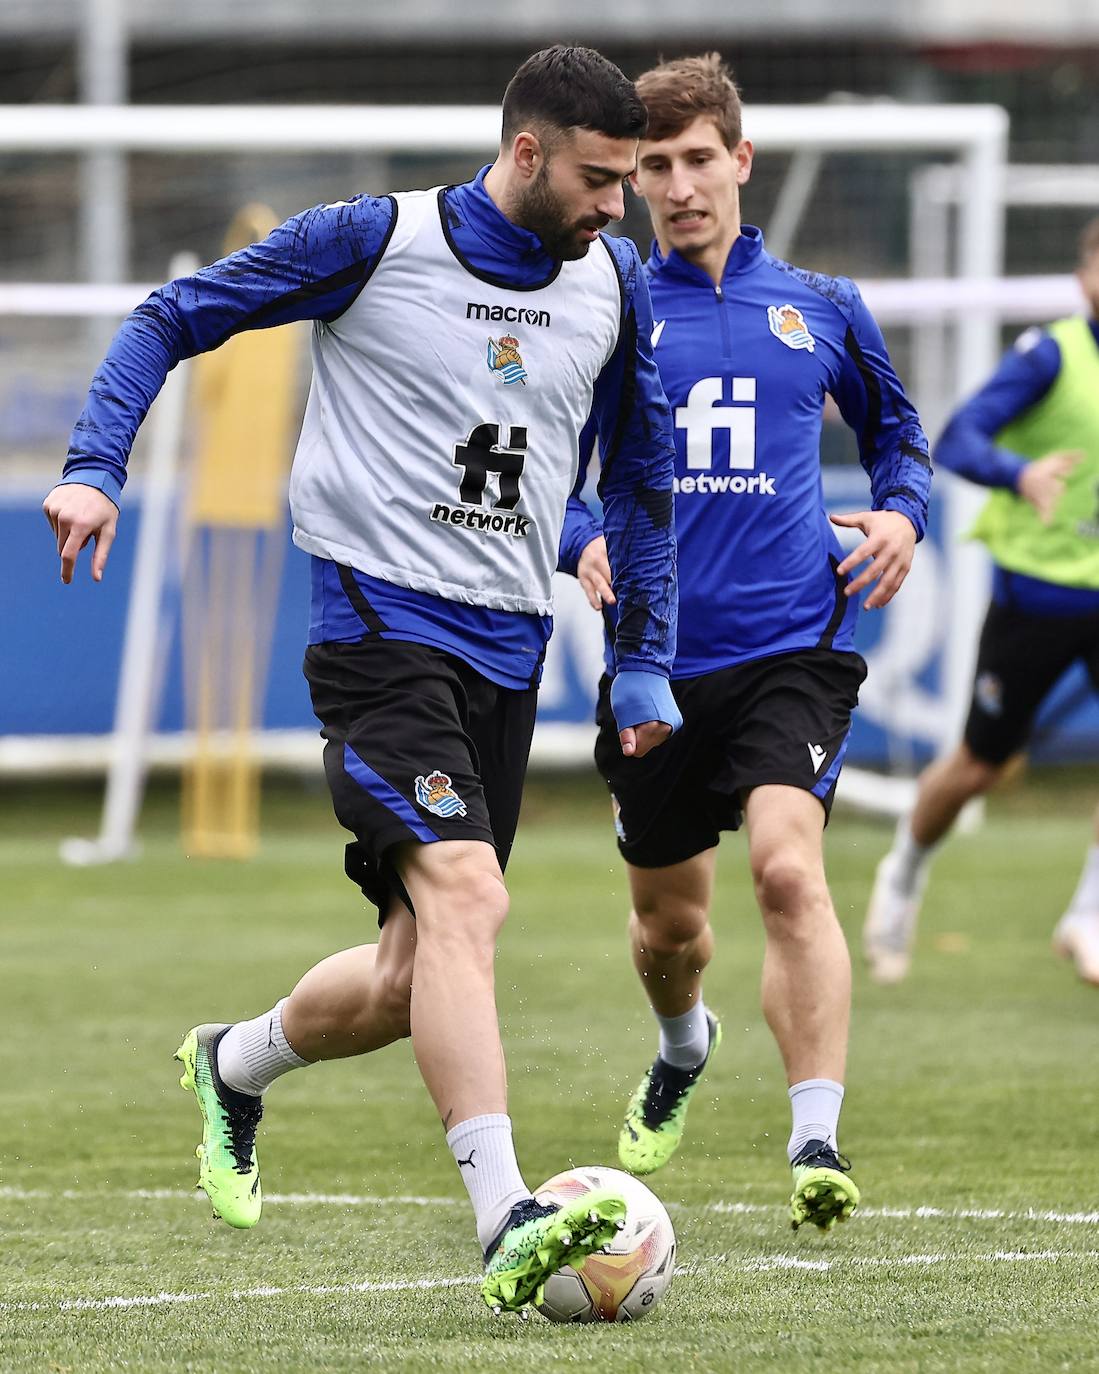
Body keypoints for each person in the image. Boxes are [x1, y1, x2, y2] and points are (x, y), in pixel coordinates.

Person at [42, 45, 682, 1314]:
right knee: (468, 902)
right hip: (378, 633)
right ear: (525, 153)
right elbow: (170, 318)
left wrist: (643, 657)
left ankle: (234, 1061)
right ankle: (506, 1213)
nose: (623, 206)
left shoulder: (612, 277)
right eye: (604, 180)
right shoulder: (370, 243)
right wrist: (94, 463)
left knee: (410, 973)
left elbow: (631, 481)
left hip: (508, 647)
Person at [559, 54, 930, 1230]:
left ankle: (814, 1136)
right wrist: (578, 544)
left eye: (696, 159)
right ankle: (681, 1045)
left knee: (785, 866)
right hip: (654, 661)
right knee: (670, 928)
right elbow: (553, 466)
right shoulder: (603, 304)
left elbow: (902, 444)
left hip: (793, 648)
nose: (676, 185)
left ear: (739, 160)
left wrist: (903, 519)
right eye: (654, 166)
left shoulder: (821, 306)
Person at [864, 217, 1099, 986]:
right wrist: (1020, 474)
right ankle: (904, 869)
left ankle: (1086, 916)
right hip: (1037, 595)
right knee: (977, 765)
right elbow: (959, 437)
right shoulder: (1049, 355)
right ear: (1083, 272)